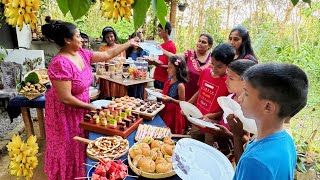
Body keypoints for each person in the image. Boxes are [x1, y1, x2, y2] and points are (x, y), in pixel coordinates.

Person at [41, 21, 137, 180]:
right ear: (67, 40)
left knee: (80, 146)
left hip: (80, 109)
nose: (82, 39)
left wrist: (128, 43)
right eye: (78, 36)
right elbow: (65, 98)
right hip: (63, 114)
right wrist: (90, 107)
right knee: (68, 147)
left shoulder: (82, 54)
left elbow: (107, 55)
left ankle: (80, 174)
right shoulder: (60, 63)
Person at [232, 63, 308, 179]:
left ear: (268, 107)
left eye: (246, 93)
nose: (240, 98)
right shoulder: (286, 140)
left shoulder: (255, 162)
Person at [203, 59, 257, 162]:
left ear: (246, 82)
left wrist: (227, 134)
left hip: (233, 160)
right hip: (219, 150)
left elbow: (247, 141)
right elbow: (226, 121)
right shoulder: (230, 98)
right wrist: (213, 122)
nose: (226, 81)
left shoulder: (250, 110)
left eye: (231, 78)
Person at [188, 43, 234, 145]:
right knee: (194, 144)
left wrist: (212, 115)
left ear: (229, 66)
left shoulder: (229, 83)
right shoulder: (205, 72)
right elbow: (200, 91)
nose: (214, 68)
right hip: (198, 120)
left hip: (212, 126)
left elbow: (226, 110)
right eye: (212, 64)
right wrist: (188, 104)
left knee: (207, 150)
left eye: (219, 66)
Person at [160, 33, 214, 101]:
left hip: (201, 96)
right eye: (199, 41)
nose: (200, 43)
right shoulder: (189, 54)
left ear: (210, 45)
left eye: (203, 42)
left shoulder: (213, 60)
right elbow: (175, 57)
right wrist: (162, 50)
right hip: (184, 92)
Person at [157, 56, 188, 134]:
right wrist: (160, 91)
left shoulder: (180, 85)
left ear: (178, 70)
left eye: (170, 68)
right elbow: (167, 92)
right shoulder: (169, 79)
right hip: (165, 108)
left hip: (173, 113)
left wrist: (171, 100)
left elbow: (182, 103)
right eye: (167, 67)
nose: (167, 70)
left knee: (170, 130)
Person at [151, 21, 176, 90]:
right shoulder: (161, 45)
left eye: (160, 31)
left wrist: (159, 65)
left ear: (166, 31)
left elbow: (172, 66)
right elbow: (159, 60)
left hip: (164, 79)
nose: (158, 33)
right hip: (157, 76)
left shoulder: (171, 46)